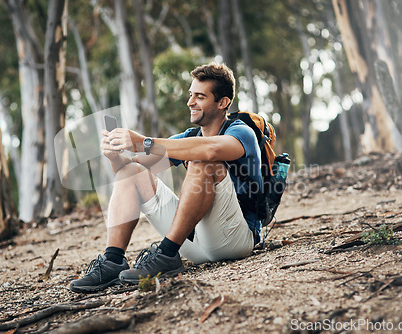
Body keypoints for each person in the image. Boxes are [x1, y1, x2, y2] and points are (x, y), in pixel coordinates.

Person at [69, 62, 262, 293]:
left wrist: (144, 142)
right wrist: (114, 156)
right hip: (193, 243)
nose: (190, 102)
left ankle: (167, 253)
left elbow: (210, 150)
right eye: (191, 95)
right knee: (131, 172)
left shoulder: (241, 131)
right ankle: (113, 261)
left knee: (202, 161)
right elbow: (128, 171)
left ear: (223, 103)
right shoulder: (188, 137)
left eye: (200, 97)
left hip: (235, 240)